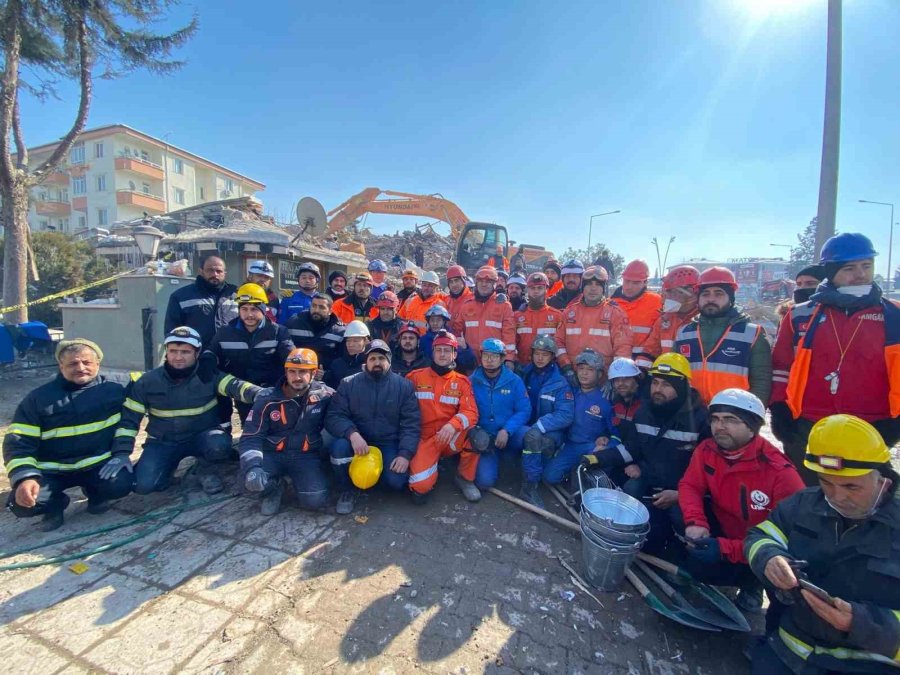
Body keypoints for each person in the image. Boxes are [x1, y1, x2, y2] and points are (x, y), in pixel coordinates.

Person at [744, 414, 900, 674]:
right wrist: (769, 558)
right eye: (826, 482)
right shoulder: (803, 504)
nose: (837, 496)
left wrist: (860, 623)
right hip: (786, 655)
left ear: (883, 479)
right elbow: (759, 536)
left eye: (851, 486)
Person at [770, 233, 900, 485]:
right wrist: (778, 408)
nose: (860, 274)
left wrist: (896, 422)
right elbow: (781, 367)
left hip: (873, 424)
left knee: (865, 495)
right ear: (830, 271)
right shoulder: (799, 315)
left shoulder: (894, 315)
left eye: (866, 266)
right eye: (849, 268)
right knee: (807, 492)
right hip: (808, 422)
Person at [679, 389, 804, 612]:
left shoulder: (780, 473)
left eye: (731, 420)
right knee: (677, 519)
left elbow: (790, 540)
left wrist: (726, 549)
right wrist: (696, 522)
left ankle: (752, 584)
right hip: (721, 528)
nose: (720, 426)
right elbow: (690, 485)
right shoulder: (707, 450)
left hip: (756, 546)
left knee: (777, 572)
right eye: (715, 419)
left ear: (752, 427)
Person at [4, 339, 133, 531]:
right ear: (61, 366)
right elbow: (18, 442)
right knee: (21, 504)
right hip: (52, 472)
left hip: (97, 466)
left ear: (98, 363)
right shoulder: (38, 399)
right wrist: (25, 477)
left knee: (122, 483)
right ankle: (54, 505)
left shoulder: (115, 388)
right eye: (73, 364)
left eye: (87, 362)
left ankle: (96, 494)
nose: (80, 368)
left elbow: (149, 379)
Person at [118, 327, 262, 496]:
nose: (178, 357)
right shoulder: (147, 382)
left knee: (219, 445)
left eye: (185, 352)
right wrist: (122, 453)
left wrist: (261, 393)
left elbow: (236, 386)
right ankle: (165, 470)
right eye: (173, 351)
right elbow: (129, 420)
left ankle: (204, 470)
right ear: (166, 352)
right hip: (163, 442)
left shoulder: (207, 374)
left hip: (202, 436)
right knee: (144, 486)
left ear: (197, 353)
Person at [612, 353, 709, 553]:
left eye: (666, 385)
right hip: (651, 480)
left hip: (682, 490)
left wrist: (680, 495)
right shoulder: (645, 412)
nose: (657, 389)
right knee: (630, 491)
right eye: (655, 383)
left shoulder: (701, 420)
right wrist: (597, 458)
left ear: (681, 386)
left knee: (682, 521)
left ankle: (686, 554)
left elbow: (709, 473)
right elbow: (632, 448)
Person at [327, 339, 421, 514]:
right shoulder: (348, 384)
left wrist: (405, 454)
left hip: (388, 442)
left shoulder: (404, 386)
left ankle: (371, 478)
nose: (377, 362)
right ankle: (347, 489)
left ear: (389, 361)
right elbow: (334, 416)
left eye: (381, 358)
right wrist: (352, 434)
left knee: (396, 481)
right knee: (338, 448)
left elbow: (411, 424)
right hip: (357, 440)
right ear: (366, 362)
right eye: (372, 358)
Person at [238, 348, 335, 515]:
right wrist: (253, 466)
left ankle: (297, 481)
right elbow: (251, 436)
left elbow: (343, 415)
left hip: (305, 456)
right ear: (286, 372)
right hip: (272, 455)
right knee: (248, 482)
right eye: (292, 371)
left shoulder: (325, 395)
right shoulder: (267, 399)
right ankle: (276, 486)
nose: (297, 377)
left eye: (302, 372)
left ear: (313, 373)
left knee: (315, 500)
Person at [673, 266, 771, 405]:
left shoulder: (752, 334)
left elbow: (762, 381)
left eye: (719, 294)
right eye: (705, 294)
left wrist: (752, 413)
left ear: (731, 298)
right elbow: (676, 377)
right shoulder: (684, 333)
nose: (711, 299)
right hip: (692, 413)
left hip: (733, 413)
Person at [407, 331, 481, 503]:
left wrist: (453, 424)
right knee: (420, 488)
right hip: (424, 439)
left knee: (477, 436)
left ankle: (465, 478)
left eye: (447, 350)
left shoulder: (462, 382)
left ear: (454, 354)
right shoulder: (415, 377)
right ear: (432, 352)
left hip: (449, 437)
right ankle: (431, 468)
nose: (442, 354)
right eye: (438, 350)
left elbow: (471, 412)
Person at [207, 283, 294, 421]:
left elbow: (291, 357)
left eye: (254, 309)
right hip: (243, 393)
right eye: (244, 309)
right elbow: (211, 352)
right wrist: (207, 360)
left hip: (274, 392)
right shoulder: (225, 332)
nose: (249, 314)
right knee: (249, 427)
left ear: (264, 309)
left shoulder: (278, 331)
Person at [512, 335, 575, 507]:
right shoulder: (524, 374)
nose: (540, 358)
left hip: (549, 431)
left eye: (545, 354)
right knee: (526, 439)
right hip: (526, 425)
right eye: (537, 353)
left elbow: (565, 415)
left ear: (553, 357)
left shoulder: (560, 382)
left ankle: (529, 487)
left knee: (535, 439)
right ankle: (520, 468)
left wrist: (539, 426)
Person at [543, 349, 619, 487]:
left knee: (590, 481)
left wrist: (606, 445)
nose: (584, 373)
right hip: (570, 445)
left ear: (600, 374)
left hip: (591, 447)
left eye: (590, 370)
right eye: (581, 368)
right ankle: (572, 473)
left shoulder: (606, 401)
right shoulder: (569, 394)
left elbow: (617, 434)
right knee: (550, 477)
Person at [468, 338, 532, 490]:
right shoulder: (471, 381)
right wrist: (476, 432)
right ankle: (499, 460)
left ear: (503, 358)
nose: (489, 360)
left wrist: (507, 430)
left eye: (494, 356)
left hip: (510, 433)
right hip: (486, 439)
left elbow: (524, 410)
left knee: (531, 436)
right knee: (484, 482)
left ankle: (529, 480)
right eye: (486, 355)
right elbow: (465, 411)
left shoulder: (514, 381)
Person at [555, 265, 634, 373]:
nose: (593, 288)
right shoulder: (569, 312)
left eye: (598, 284)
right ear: (583, 287)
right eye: (589, 284)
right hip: (572, 374)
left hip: (603, 377)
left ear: (604, 288)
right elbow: (558, 342)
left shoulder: (615, 313)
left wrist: (616, 375)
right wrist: (566, 366)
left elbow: (623, 348)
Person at [165, 254, 238, 346]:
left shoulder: (236, 296)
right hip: (198, 353)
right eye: (210, 270)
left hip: (230, 353)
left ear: (224, 273)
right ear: (201, 271)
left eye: (219, 271)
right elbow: (172, 332)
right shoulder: (181, 296)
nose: (215, 274)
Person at [449, 265, 517, 365]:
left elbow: (509, 335)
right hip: (471, 361)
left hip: (494, 362)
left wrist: (509, 359)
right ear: (476, 283)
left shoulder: (504, 306)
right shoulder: (467, 305)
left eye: (488, 281)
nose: (484, 284)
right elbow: (456, 331)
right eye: (481, 281)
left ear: (494, 284)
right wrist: (461, 352)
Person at [612, 259, 663, 369]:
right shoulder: (611, 304)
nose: (629, 286)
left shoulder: (657, 302)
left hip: (646, 364)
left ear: (645, 283)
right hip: (616, 363)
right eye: (627, 281)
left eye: (635, 283)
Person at [645, 265, 700, 359]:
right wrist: (640, 367)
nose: (665, 299)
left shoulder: (704, 321)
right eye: (666, 292)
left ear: (690, 293)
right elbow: (650, 352)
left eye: (671, 292)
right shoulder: (664, 321)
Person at [285, 292, 345, 373]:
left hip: (325, 375)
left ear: (330, 311)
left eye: (321, 307)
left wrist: (327, 374)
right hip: (297, 373)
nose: (316, 310)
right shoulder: (294, 323)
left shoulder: (339, 331)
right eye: (313, 306)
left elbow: (341, 360)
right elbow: (284, 350)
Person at [514, 272, 564, 368]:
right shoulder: (517, 316)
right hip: (522, 368)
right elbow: (511, 342)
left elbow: (560, 344)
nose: (536, 291)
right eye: (532, 288)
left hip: (548, 369)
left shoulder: (557, 316)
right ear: (527, 290)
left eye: (540, 288)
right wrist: (515, 361)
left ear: (546, 290)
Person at [324, 320, 370, 388]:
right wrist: (324, 376)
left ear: (366, 341)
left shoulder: (371, 364)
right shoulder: (336, 364)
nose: (350, 344)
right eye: (348, 341)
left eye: (355, 341)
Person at [608, 357, 644, 427]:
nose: (620, 383)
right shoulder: (612, 405)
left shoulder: (645, 408)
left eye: (626, 379)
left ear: (637, 381)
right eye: (617, 380)